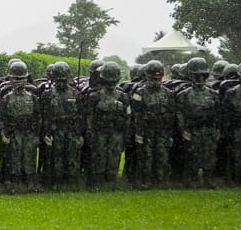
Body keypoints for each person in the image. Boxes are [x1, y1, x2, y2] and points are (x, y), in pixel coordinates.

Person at [174, 57, 219, 188]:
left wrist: (217, 129)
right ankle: (191, 180)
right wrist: (183, 130)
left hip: (209, 129)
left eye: (202, 76)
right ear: (191, 76)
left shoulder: (213, 94)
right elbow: (179, 114)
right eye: (196, 76)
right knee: (192, 156)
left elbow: (218, 114)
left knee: (210, 156)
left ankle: (208, 179)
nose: (200, 79)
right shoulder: (183, 95)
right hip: (192, 130)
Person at [0, 60, 40, 193]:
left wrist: (37, 134)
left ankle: (30, 183)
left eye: (22, 79)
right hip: (13, 132)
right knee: (13, 158)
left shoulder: (32, 96)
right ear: (11, 79)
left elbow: (38, 117)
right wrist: (3, 133)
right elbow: (1, 118)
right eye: (16, 79)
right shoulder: (7, 98)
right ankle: (12, 183)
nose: (19, 82)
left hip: (29, 132)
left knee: (30, 157)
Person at [83, 61, 128, 190]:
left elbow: (127, 117)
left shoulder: (123, 96)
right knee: (100, 156)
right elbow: (89, 117)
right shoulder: (94, 96)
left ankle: (110, 181)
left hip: (115, 132)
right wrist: (90, 133)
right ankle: (98, 181)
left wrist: (125, 134)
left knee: (113, 156)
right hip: (100, 132)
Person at [130, 60, 175, 188]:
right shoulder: (139, 92)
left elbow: (171, 113)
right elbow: (136, 113)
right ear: (147, 76)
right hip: (146, 130)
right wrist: (138, 133)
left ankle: (161, 181)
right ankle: (145, 181)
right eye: (153, 78)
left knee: (162, 155)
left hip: (162, 130)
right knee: (146, 156)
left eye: (158, 78)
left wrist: (169, 133)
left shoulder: (168, 93)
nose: (156, 80)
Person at [40, 61, 82, 190]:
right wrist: (46, 133)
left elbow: (81, 115)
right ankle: (56, 182)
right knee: (55, 157)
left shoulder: (76, 94)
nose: (61, 82)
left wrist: (80, 134)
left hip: (71, 130)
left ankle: (71, 182)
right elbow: (44, 116)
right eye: (58, 79)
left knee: (72, 156)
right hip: (55, 130)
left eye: (63, 79)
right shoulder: (47, 94)